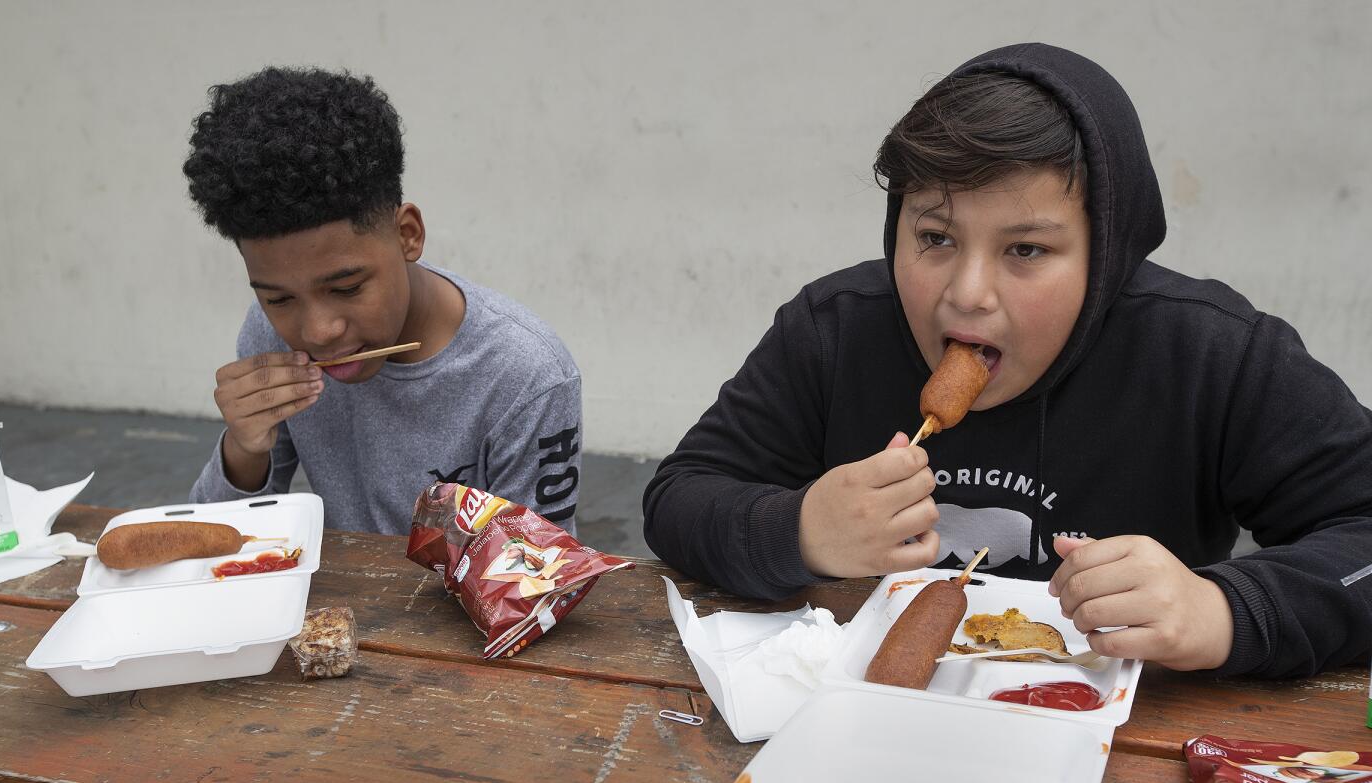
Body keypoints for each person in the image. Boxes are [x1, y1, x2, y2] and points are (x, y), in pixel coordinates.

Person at [642, 43, 1372, 678]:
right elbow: (679, 497)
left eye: (1026, 250)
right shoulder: (836, 331)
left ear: (1107, 255)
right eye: (935, 238)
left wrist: (1223, 610)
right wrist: (797, 528)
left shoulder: (1210, 354)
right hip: (851, 721)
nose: (966, 295)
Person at [184, 67, 582, 533]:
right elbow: (219, 539)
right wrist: (243, 449)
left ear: (407, 234)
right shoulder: (269, 334)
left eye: (347, 288)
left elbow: (537, 575)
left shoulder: (524, 374)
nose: (317, 331)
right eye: (279, 299)